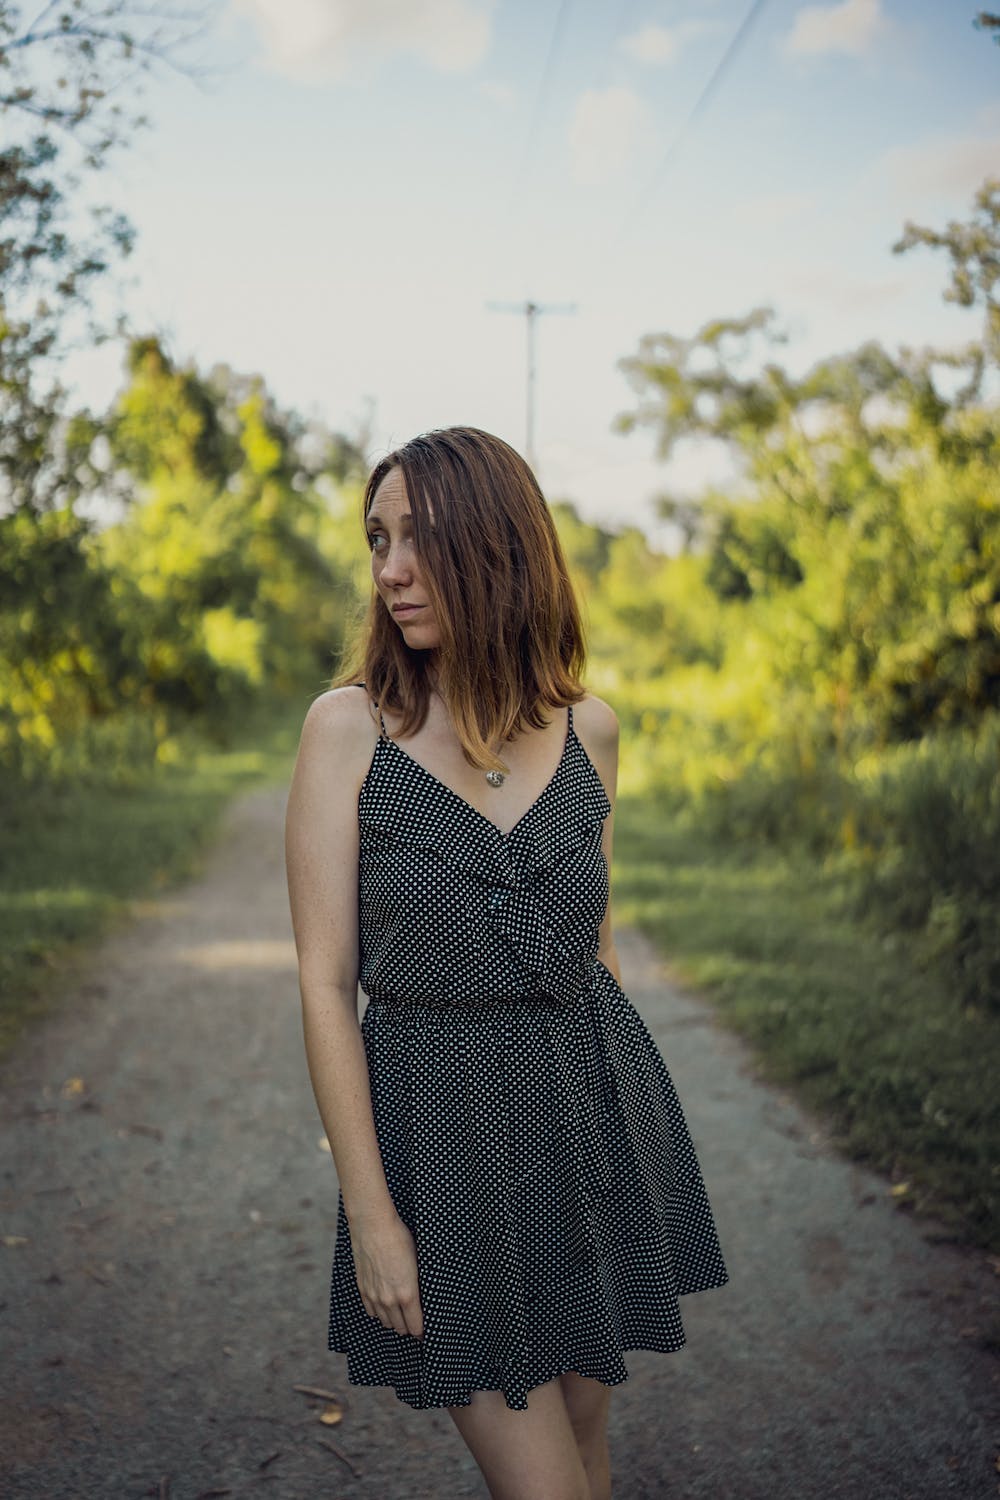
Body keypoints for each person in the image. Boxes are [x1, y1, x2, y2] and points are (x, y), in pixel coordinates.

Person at [284, 426, 729, 1500]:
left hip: (587, 1141)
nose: (388, 568)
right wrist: (373, 1215)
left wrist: (627, 1164)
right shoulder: (351, 732)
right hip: (443, 1157)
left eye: (416, 539)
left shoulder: (592, 732)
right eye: (376, 539)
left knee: (588, 1446)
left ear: (498, 546)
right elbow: (321, 982)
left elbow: (600, 953)